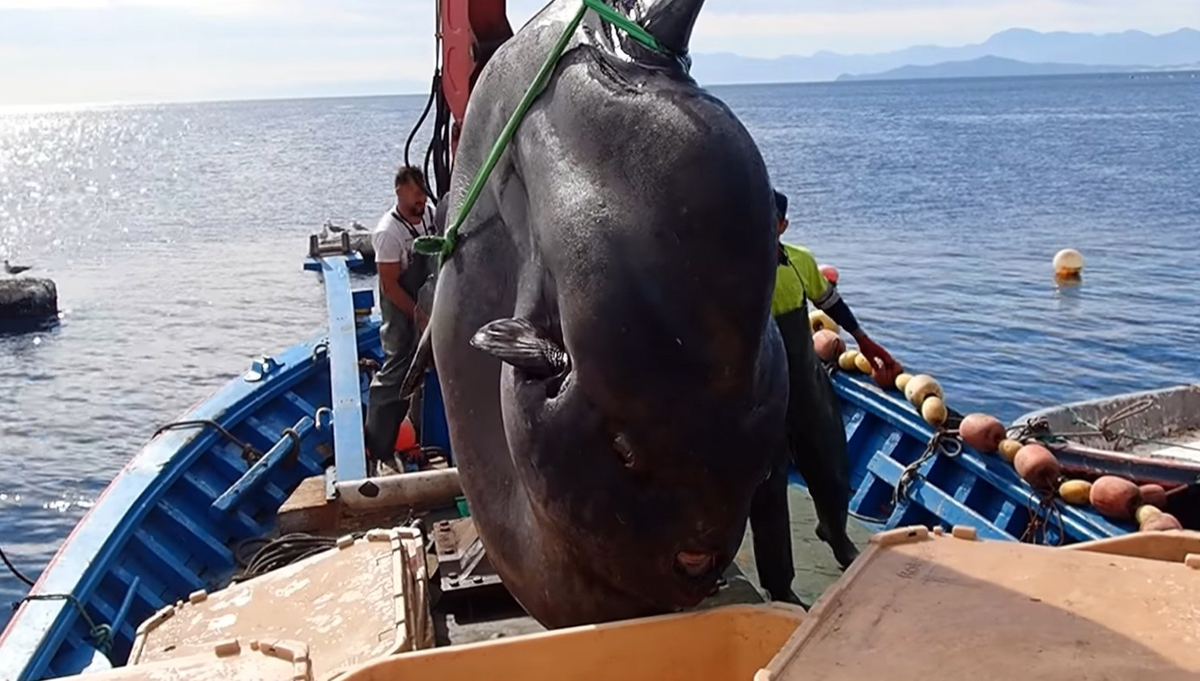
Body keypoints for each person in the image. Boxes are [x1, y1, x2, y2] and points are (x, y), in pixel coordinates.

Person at [747, 189, 901, 604]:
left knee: (832, 460)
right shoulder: (734, 268)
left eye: (771, 222)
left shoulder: (800, 260)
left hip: (806, 379)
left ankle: (834, 532)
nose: (763, 229)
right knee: (769, 485)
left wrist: (863, 339)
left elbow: (829, 301)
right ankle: (779, 583)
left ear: (782, 226)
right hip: (759, 388)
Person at [365, 166, 439, 467]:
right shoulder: (388, 232)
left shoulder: (430, 217)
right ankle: (378, 444)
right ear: (399, 191)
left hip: (427, 299)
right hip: (400, 309)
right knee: (396, 371)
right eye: (416, 192)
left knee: (424, 373)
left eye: (423, 192)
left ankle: (419, 436)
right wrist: (417, 314)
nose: (421, 198)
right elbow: (389, 284)